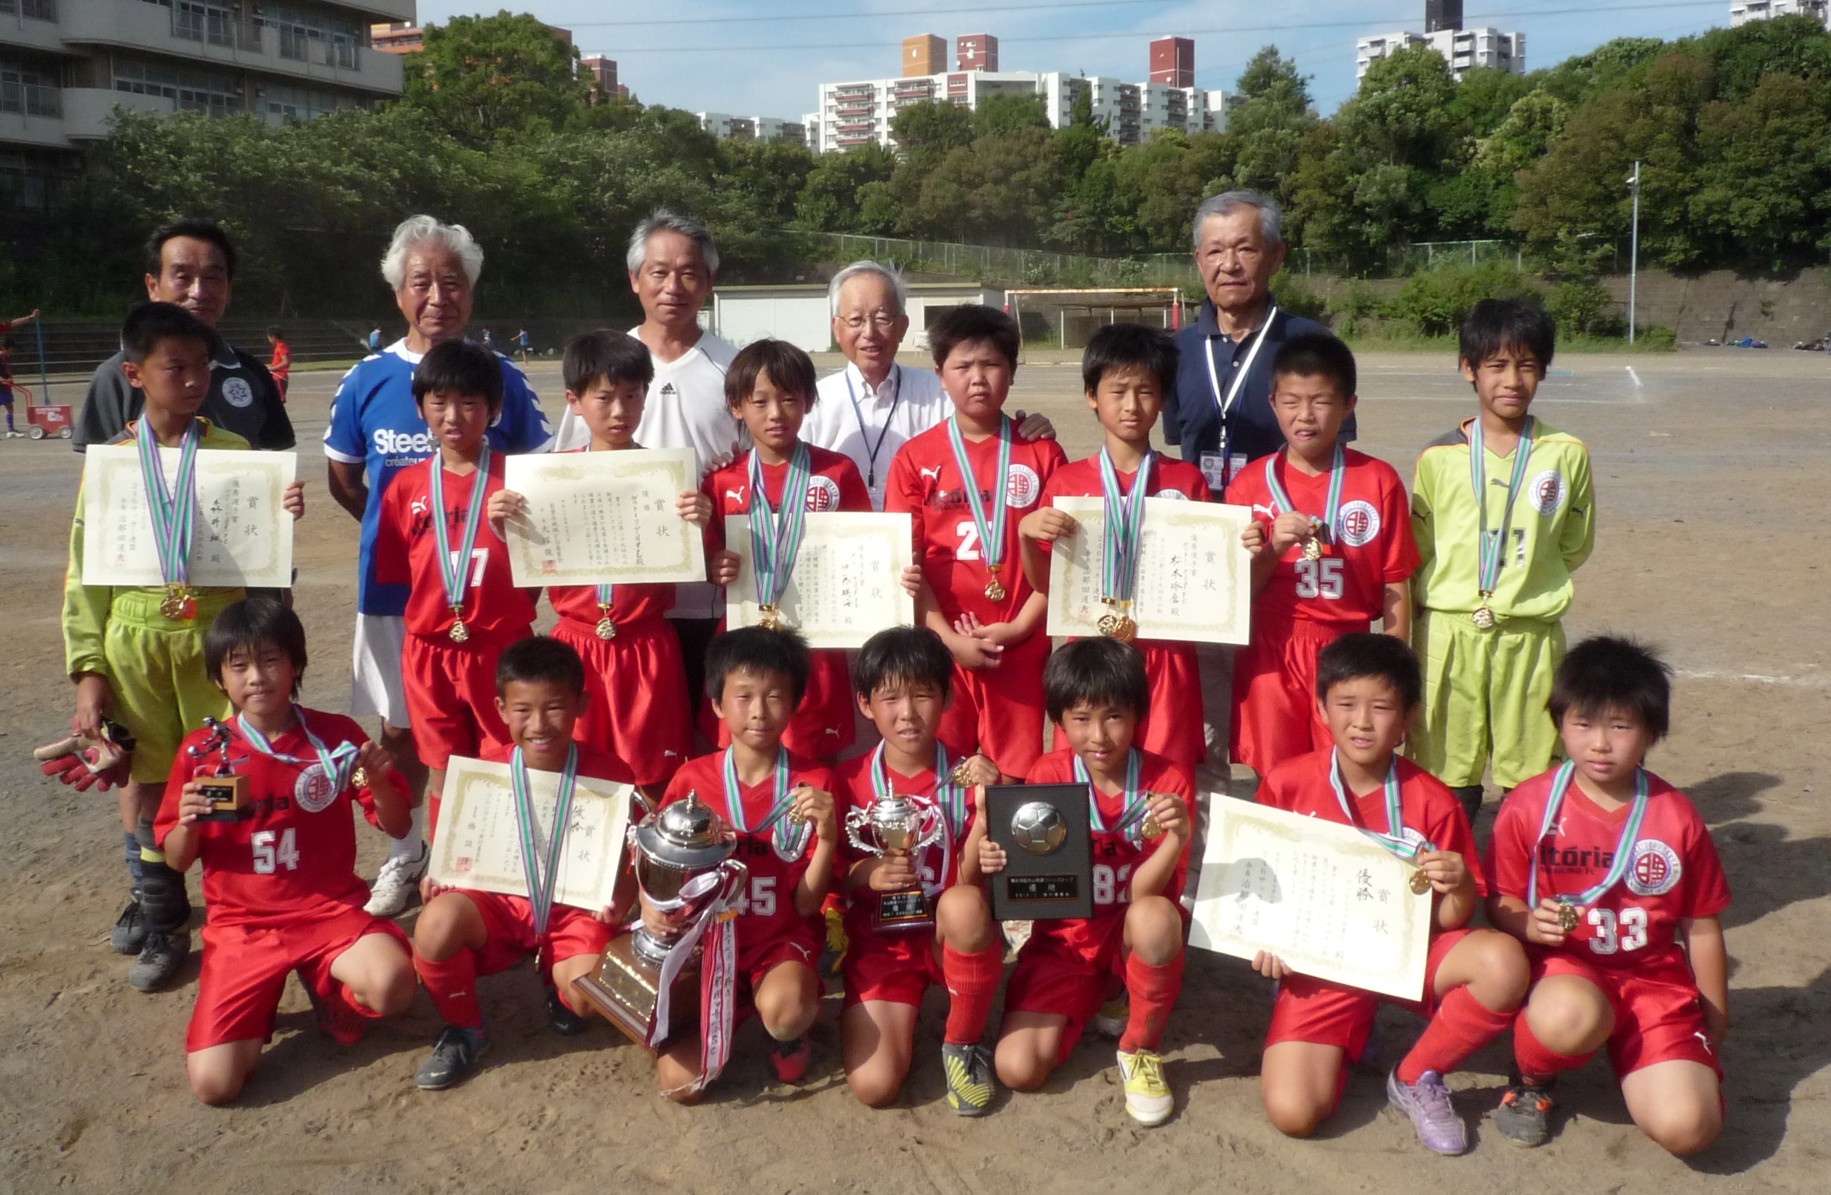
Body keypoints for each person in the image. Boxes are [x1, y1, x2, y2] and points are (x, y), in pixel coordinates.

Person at [62, 302, 305, 991]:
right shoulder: (111, 462)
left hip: (215, 641)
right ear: (136, 374)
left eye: (201, 365)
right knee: (145, 782)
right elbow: (84, 571)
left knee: (229, 772)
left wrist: (281, 524)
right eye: (176, 367)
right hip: (134, 642)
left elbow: (262, 568)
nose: (193, 378)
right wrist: (89, 670)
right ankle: (164, 922)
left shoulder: (234, 454)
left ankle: (240, 911)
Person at [323, 214, 551, 917]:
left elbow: (541, 481)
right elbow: (345, 478)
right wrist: (423, 541)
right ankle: (409, 854)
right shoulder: (366, 376)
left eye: (453, 282)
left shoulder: (502, 378)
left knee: (496, 732)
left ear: (471, 294)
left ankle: (497, 859)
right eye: (421, 281)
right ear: (398, 291)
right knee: (401, 731)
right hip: (400, 594)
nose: (437, 295)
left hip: (487, 608)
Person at [1253, 633, 1527, 1155]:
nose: (1362, 721)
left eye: (1381, 708)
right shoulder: (1286, 784)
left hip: (1406, 953)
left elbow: (1453, 918)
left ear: (1407, 718)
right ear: (1320, 708)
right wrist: (1265, 941)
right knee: (1295, 1113)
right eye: (1346, 705)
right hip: (1323, 962)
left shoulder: (1433, 800)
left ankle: (1416, 1074)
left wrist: (1461, 882)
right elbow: (1262, 886)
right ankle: (1346, 1034)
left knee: (1502, 963)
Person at [156, 598, 416, 1104]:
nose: (257, 676)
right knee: (215, 1086)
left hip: (327, 913)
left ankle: (331, 993)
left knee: (393, 986)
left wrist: (381, 783)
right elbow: (176, 859)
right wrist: (187, 821)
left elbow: (397, 822)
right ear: (219, 680)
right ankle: (260, 995)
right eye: (239, 665)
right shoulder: (202, 753)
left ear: (295, 664)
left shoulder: (337, 740)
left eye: (271, 659)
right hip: (242, 927)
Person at [1484, 637, 1728, 1155]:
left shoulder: (1677, 816)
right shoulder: (1528, 806)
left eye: (1620, 726)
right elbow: (1501, 901)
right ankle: (1531, 1079)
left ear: (1650, 733)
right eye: (1583, 724)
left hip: (1653, 979)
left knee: (1690, 1130)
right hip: (1566, 974)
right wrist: (1528, 925)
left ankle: (1642, 1052)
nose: (1600, 743)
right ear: (1559, 723)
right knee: (1571, 1016)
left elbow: (1701, 924)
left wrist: (1715, 1019)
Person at [411, 637, 638, 1090]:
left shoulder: (612, 775)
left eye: (554, 707)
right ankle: (465, 1029)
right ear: (499, 707)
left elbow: (632, 860)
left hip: (573, 913)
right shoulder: (483, 772)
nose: (539, 724)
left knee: (588, 999)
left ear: (581, 704)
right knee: (435, 925)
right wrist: (438, 874)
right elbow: (453, 849)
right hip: (498, 907)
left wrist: (620, 899)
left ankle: (559, 986)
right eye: (522, 709)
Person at [1164, 191, 1341, 773]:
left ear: (1276, 255)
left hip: (1282, 581)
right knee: (1208, 734)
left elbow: (1334, 464)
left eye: (1245, 247)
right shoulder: (1178, 351)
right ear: (1197, 260)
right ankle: (1215, 859)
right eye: (1215, 250)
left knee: (1290, 743)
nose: (1229, 264)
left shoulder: (1309, 344)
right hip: (1203, 573)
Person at [982, 637, 1192, 1126]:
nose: (1099, 735)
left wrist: (1175, 839)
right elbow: (1033, 880)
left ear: (1139, 713)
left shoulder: (1168, 781)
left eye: (1114, 715)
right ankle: (1105, 996)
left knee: (1156, 918)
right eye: (1080, 718)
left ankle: (1139, 1045)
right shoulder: (1048, 773)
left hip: (1129, 935)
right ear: (1058, 721)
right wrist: (1003, 862)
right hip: (1066, 945)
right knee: (1017, 1067)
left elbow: (1146, 894)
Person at [492, 330, 703, 796]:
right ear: (574, 401)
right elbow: (520, 560)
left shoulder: (669, 478)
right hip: (578, 643)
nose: (619, 411)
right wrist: (500, 521)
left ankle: (646, 868)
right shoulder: (547, 478)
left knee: (652, 780)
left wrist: (700, 522)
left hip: (647, 646)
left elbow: (695, 559)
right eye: (604, 398)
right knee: (576, 775)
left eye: (632, 396)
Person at [1409, 299, 1595, 823]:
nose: (1512, 380)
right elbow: (1420, 553)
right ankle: (1452, 886)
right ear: (1468, 368)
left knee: (1531, 776)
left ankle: (1520, 888)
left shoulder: (1566, 453)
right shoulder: (1437, 457)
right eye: (1496, 365)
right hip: (1450, 633)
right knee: (1447, 772)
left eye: (1527, 365)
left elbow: (1573, 543)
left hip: (1529, 634)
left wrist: (1524, 580)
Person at [555, 210, 739, 722]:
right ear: (634, 279)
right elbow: (565, 474)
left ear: (709, 281)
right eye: (658, 271)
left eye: (688, 272)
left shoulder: (735, 368)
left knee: (699, 734)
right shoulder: (603, 363)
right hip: (617, 602)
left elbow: (755, 474)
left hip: (707, 593)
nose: (673, 286)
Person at [885, 305, 1067, 779]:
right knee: (944, 767)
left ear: (1012, 371)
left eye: (991, 365)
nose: (978, 378)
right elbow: (904, 565)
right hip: (940, 645)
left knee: (1012, 774)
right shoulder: (915, 458)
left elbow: (1063, 563)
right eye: (963, 367)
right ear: (940, 376)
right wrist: (945, 638)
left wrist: (1021, 627)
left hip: (1019, 645)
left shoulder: (1042, 453)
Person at [1019, 322, 1211, 771]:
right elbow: (1044, 584)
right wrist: (1027, 535)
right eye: (1117, 391)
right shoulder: (1067, 483)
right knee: (1084, 780)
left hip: (1167, 658)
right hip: (1088, 654)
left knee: (1166, 780)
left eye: (1145, 391)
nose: (1131, 405)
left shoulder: (1187, 482)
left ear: (1163, 397)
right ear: (1091, 396)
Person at [656, 626, 837, 1097]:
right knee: (680, 1085)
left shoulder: (812, 783)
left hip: (777, 939)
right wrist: (652, 907)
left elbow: (804, 906)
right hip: (706, 944)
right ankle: (725, 1009)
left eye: (775, 696)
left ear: (796, 702)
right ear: (716, 703)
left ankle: (786, 1028)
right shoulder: (692, 780)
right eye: (744, 696)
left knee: (788, 1009)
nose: (759, 711)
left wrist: (830, 838)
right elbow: (657, 862)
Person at [1226, 333, 1418, 777]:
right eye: (1292, 401)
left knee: (1350, 769)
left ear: (1349, 404)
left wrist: (1393, 669)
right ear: (1273, 403)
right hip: (1271, 646)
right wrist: (1273, 547)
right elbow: (1237, 595)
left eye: (1321, 401)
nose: (1305, 415)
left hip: (1347, 644)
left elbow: (1395, 584)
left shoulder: (1378, 480)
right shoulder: (1249, 486)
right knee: (1278, 776)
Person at [834, 627, 1004, 1114]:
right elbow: (830, 880)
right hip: (882, 942)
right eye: (890, 698)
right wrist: (867, 874)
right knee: (876, 1086)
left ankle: (963, 1043)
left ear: (948, 697)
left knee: (966, 905)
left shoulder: (971, 775)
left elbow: (972, 884)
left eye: (923, 694)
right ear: (866, 704)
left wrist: (985, 816)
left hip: (948, 930)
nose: (907, 713)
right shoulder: (846, 780)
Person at [370, 339, 536, 835]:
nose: (454, 415)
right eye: (439, 402)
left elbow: (546, 568)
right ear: (421, 407)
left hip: (499, 646)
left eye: (469, 402)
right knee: (444, 769)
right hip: (430, 651)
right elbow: (405, 573)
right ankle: (451, 864)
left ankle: (510, 869)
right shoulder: (404, 487)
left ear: (494, 407)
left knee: (510, 764)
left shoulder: (520, 481)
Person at [703, 339, 871, 763]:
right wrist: (715, 565)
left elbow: (864, 551)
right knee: (744, 753)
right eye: (760, 401)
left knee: (813, 756)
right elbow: (708, 560)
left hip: (816, 644)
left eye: (789, 399)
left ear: (809, 401)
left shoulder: (837, 472)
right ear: (736, 406)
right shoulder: (722, 480)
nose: (776, 414)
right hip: (743, 639)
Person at [807, 261, 1055, 511]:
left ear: (903, 326)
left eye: (882, 318)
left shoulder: (942, 392)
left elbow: (983, 445)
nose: (869, 332)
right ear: (836, 328)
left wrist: (1026, 435)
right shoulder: (811, 403)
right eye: (856, 319)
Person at [74, 220, 293, 454]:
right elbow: (102, 474)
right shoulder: (115, 376)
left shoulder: (251, 372)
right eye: (182, 277)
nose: (198, 292)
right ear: (153, 286)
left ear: (229, 289)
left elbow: (271, 466)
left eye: (212, 277)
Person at [1, 336, 26, 436]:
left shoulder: (4, 358)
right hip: (1, 386)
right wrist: (3, 380)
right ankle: (10, 429)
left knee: (9, 406)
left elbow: (6, 370)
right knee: (8, 406)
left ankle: (11, 429)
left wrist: (10, 378)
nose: (11, 352)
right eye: (10, 350)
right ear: (4, 348)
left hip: (5, 386)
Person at [266, 326, 291, 403]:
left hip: (279, 377)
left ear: (273, 337)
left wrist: (271, 369)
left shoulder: (281, 346)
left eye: (269, 338)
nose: (269, 340)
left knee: (278, 400)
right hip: (276, 377)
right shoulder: (279, 347)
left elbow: (286, 362)